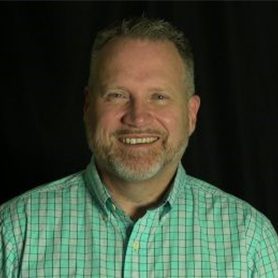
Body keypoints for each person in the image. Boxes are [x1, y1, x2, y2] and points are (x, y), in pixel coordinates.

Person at [1, 16, 278, 278]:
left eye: (159, 96)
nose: (137, 117)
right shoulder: (14, 232)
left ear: (191, 114)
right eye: (117, 95)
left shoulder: (250, 241)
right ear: (87, 107)